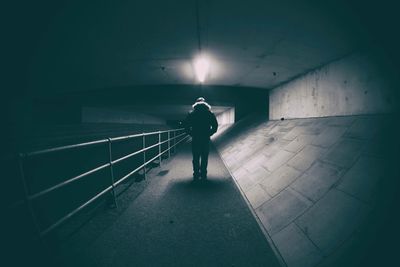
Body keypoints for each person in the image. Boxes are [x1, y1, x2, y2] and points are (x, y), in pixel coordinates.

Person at [184, 97, 218, 180]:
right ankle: (203, 174)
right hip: (205, 139)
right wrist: (209, 133)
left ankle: (196, 173)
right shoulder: (209, 113)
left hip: (196, 138)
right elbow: (215, 126)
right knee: (204, 157)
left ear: (196, 104)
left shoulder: (192, 113)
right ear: (205, 103)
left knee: (196, 157)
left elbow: (186, 126)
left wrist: (192, 134)